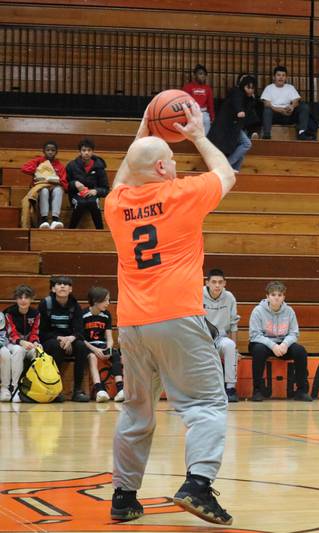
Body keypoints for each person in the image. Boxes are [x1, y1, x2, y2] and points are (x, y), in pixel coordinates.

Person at [105, 100, 236, 524]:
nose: (176, 166)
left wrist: (144, 131)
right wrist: (198, 136)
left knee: (136, 412)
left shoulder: (116, 206)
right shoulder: (182, 194)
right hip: (177, 316)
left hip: (132, 322)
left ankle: (124, 496)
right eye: (172, 161)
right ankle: (198, 485)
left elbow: (125, 173)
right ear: (163, 170)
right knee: (206, 405)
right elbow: (226, 174)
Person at [248, 281, 313, 402]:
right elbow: (254, 335)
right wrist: (273, 346)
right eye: (273, 295)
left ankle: (301, 391)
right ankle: (257, 390)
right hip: (263, 344)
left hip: (282, 344)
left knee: (300, 351)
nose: (276, 298)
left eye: (279, 295)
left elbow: (294, 333)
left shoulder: (289, 311)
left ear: (283, 297)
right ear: (267, 296)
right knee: (258, 350)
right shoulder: (258, 311)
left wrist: (284, 344)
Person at [37, 276, 90, 402]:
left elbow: (80, 331)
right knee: (56, 346)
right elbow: (42, 331)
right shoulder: (45, 304)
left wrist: (71, 338)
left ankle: (77, 390)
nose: (62, 286)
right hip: (51, 339)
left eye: (66, 284)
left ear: (70, 289)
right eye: (59, 284)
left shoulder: (75, 305)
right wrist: (59, 338)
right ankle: (55, 390)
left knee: (82, 347)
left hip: (69, 339)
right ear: (53, 289)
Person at [203, 269, 240, 403]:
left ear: (224, 283)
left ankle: (230, 388)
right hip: (201, 339)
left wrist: (236, 350)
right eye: (214, 282)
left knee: (230, 346)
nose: (217, 285)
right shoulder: (198, 295)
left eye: (220, 282)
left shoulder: (229, 297)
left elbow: (233, 324)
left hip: (220, 339)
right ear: (207, 283)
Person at [208, 74, 258, 171]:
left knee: (240, 153)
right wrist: (240, 110)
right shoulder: (237, 92)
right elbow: (237, 102)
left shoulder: (248, 99)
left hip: (233, 128)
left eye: (252, 88)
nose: (250, 90)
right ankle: (226, 165)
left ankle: (235, 172)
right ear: (243, 86)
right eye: (248, 87)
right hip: (226, 127)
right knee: (246, 144)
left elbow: (250, 115)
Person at [83, 286, 124, 403]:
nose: (108, 303)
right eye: (106, 300)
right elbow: (81, 338)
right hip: (89, 346)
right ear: (96, 300)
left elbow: (109, 337)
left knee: (115, 353)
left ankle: (120, 389)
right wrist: (95, 350)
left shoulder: (106, 315)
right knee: (92, 357)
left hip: (102, 345)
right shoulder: (83, 315)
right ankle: (99, 390)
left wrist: (109, 348)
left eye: (109, 300)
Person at [3, 285, 41, 402]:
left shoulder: (36, 314)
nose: (23, 300)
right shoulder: (9, 312)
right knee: (18, 351)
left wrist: (35, 342)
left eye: (26, 297)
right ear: (16, 299)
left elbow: (35, 331)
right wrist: (21, 342)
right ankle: (15, 388)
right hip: (11, 344)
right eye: (20, 297)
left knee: (39, 351)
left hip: (28, 344)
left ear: (31, 299)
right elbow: (11, 333)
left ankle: (36, 389)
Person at [20, 140, 67, 229]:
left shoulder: (59, 165)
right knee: (44, 190)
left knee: (59, 190)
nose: (50, 152)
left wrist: (58, 181)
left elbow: (64, 182)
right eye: (48, 150)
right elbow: (24, 168)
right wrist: (38, 169)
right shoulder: (38, 161)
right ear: (44, 151)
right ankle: (44, 219)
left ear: (56, 152)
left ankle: (55, 219)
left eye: (53, 150)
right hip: (41, 186)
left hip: (54, 186)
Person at [66, 138, 109, 229]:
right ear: (80, 152)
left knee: (93, 202)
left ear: (92, 152)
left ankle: (100, 231)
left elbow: (106, 189)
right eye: (84, 150)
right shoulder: (71, 165)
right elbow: (66, 185)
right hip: (76, 195)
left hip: (92, 196)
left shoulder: (99, 166)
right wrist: (75, 183)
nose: (86, 153)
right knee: (80, 203)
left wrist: (96, 191)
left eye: (89, 150)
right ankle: (70, 230)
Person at [259, 66, 311, 141]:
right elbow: (266, 104)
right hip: (275, 115)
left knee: (304, 107)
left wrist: (292, 107)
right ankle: (267, 135)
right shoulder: (269, 88)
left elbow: (296, 100)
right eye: (278, 75)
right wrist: (279, 110)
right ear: (274, 77)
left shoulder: (290, 87)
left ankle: (302, 133)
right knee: (267, 110)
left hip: (288, 115)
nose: (281, 77)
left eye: (283, 75)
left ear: (286, 78)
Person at [182, 64, 215, 134]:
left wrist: (212, 117)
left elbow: (210, 104)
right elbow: (183, 102)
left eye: (204, 75)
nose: (203, 76)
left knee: (206, 122)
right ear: (194, 75)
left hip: (204, 114)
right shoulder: (187, 87)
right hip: (191, 113)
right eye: (200, 74)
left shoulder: (208, 88)